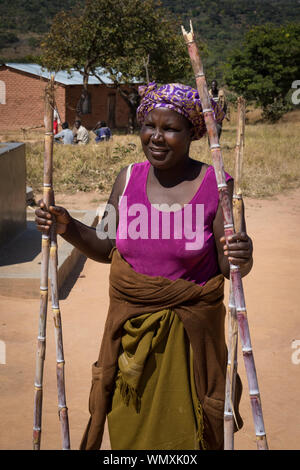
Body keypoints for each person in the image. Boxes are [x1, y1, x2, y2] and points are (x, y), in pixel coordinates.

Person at [35, 82, 253, 451]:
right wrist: (66, 225)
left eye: (170, 128)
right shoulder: (128, 179)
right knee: (129, 429)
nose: (157, 137)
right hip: (130, 343)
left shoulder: (216, 187)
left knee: (190, 433)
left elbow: (229, 267)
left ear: (192, 133)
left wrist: (242, 256)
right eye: (149, 126)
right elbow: (107, 247)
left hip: (190, 345)